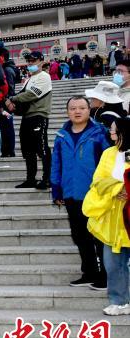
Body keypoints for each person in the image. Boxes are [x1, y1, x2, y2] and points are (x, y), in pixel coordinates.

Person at [52, 96, 109, 291]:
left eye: (82, 108)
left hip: (95, 195)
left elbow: (109, 163)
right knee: (79, 235)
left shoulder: (100, 133)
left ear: (88, 110)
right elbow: (56, 164)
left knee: (99, 236)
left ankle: (105, 276)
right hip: (70, 193)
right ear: (67, 111)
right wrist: (56, 190)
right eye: (73, 108)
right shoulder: (61, 135)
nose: (77, 111)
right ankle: (89, 273)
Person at [82, 118, 130, 315]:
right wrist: (118, 188)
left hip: (128, 214)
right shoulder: (108, 153)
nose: (110, 133)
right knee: (112, 263)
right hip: (112, 217)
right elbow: (98, 181)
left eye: (113, 130)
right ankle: (119, 301)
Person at [5, 51, 52, 189]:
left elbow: (31, 95)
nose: (30, 63)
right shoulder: (30, 78)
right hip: (27, 116)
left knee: (42, 148)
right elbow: (23, 95)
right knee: (28, 150)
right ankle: (30, 179)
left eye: (33, 60)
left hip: (39, 115)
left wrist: (12, 99)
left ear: (41, 61)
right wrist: (12, 103)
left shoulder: (44, 76)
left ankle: (47, 178)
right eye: (29, 61)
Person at [0, 48, 17, 157]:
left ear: (2, 57)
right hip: (6, 102)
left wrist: (4, 102)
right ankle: (8, 150)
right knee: (6, 126)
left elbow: (9, 89)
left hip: (6, 104)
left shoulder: (7, 70)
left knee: (7, 126)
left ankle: (9, 150)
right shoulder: (8, 69)